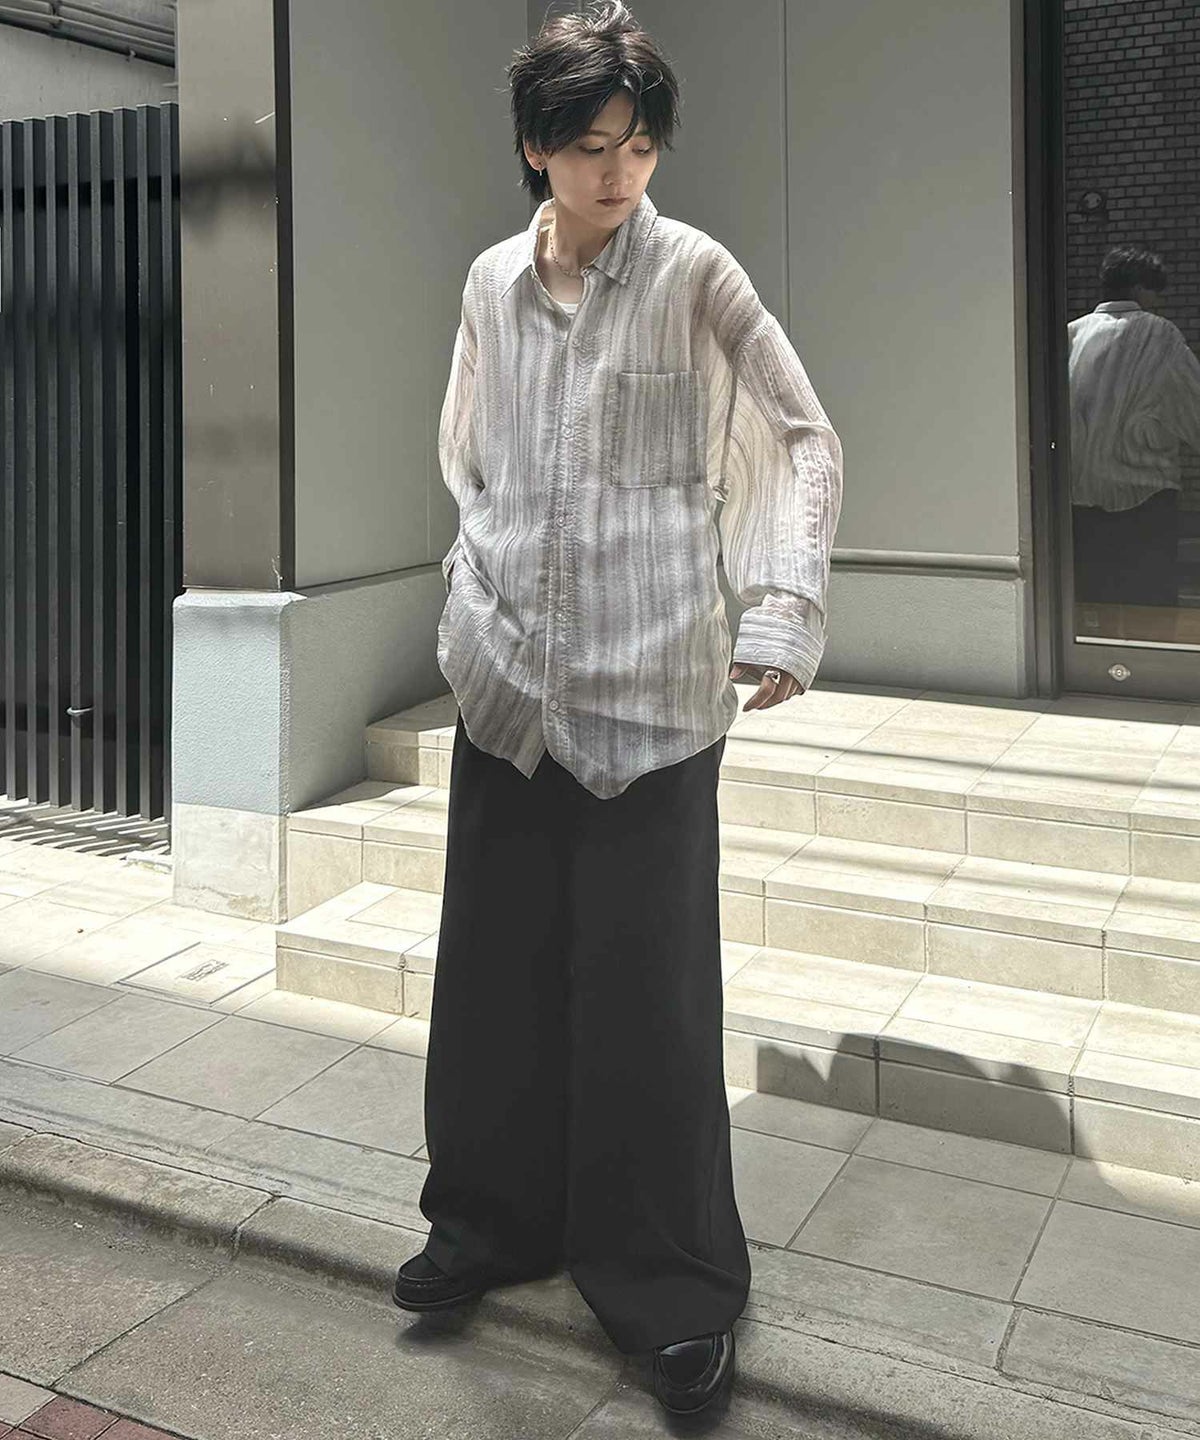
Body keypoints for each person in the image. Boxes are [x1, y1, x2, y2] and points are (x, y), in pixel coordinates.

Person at [391, 1, 843, 1417]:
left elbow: (799, 436)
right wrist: (473, 600)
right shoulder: (488, 285)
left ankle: (670, 1286)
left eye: (639, 147)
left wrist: (780, 606)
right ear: (536, 146)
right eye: (591, 146)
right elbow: (467, 454)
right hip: (508, 687)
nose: (619, 172)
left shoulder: (695, 271)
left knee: (647, 1002)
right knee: (495, 980)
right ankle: (485, 1227)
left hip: (652, 690)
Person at [1068, 244, 1200, 611]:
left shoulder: (1072, 334)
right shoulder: (1160, 334)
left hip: (1081, 501)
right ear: (1140, 288)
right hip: (1145, 499)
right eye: (1155, 291)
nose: (1157, 301)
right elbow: (1192, 404)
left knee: (1094, 609)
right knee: (1150, 611)